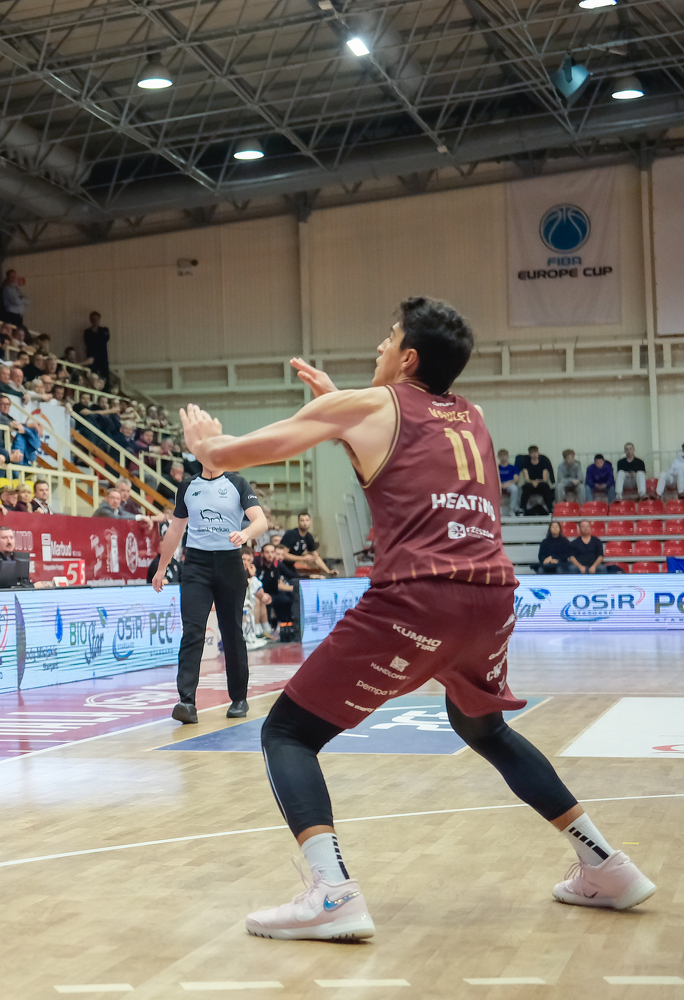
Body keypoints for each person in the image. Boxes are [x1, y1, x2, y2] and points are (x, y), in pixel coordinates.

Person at [175, 295, 654, 941]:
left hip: (420, 596)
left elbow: (234, 456)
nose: (379, 345)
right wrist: (338, 406)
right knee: (484, 729)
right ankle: (607, 865)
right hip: (493, 597)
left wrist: (207, 444)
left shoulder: (372, 405)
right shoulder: (472, 416)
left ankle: (332, 893)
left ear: (408, 358)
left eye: (389, 337)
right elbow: (403, 456)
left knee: (287, 732)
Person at [151, 458, 268, 723]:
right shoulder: (188, 486)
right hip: (196, 565)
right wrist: (162, 568)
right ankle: (186, 701)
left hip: (230, 563)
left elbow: (260, 521)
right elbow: (176, 529)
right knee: (192, 631)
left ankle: (239, 698)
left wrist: (245, 533)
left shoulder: (237, 483)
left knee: (231, 631)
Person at [279, 513, 334, 577]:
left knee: (298, 579)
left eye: (307, 520)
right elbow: (283, 555)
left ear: (310, 522)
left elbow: (315, 557)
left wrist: (328, 571)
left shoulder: (309, 537)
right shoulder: (291, 534)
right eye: (302, 520)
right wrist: (303, 558)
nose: (305, 523)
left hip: (291, 566)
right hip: (280, 564)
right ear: (298, 522)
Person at [515, 444, 555, 516]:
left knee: (545, 486)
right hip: (530, 483)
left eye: (535, 452)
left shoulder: (543, 463)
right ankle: (522, 509)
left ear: (538, 453)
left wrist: (537, 482)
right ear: (529, 454)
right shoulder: (526, 463)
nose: (534, 455)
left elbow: (545, 479)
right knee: (526, 487)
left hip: (541, 483)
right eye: (532, 453)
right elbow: (526, 479)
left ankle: (550, 509)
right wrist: (533, 482)